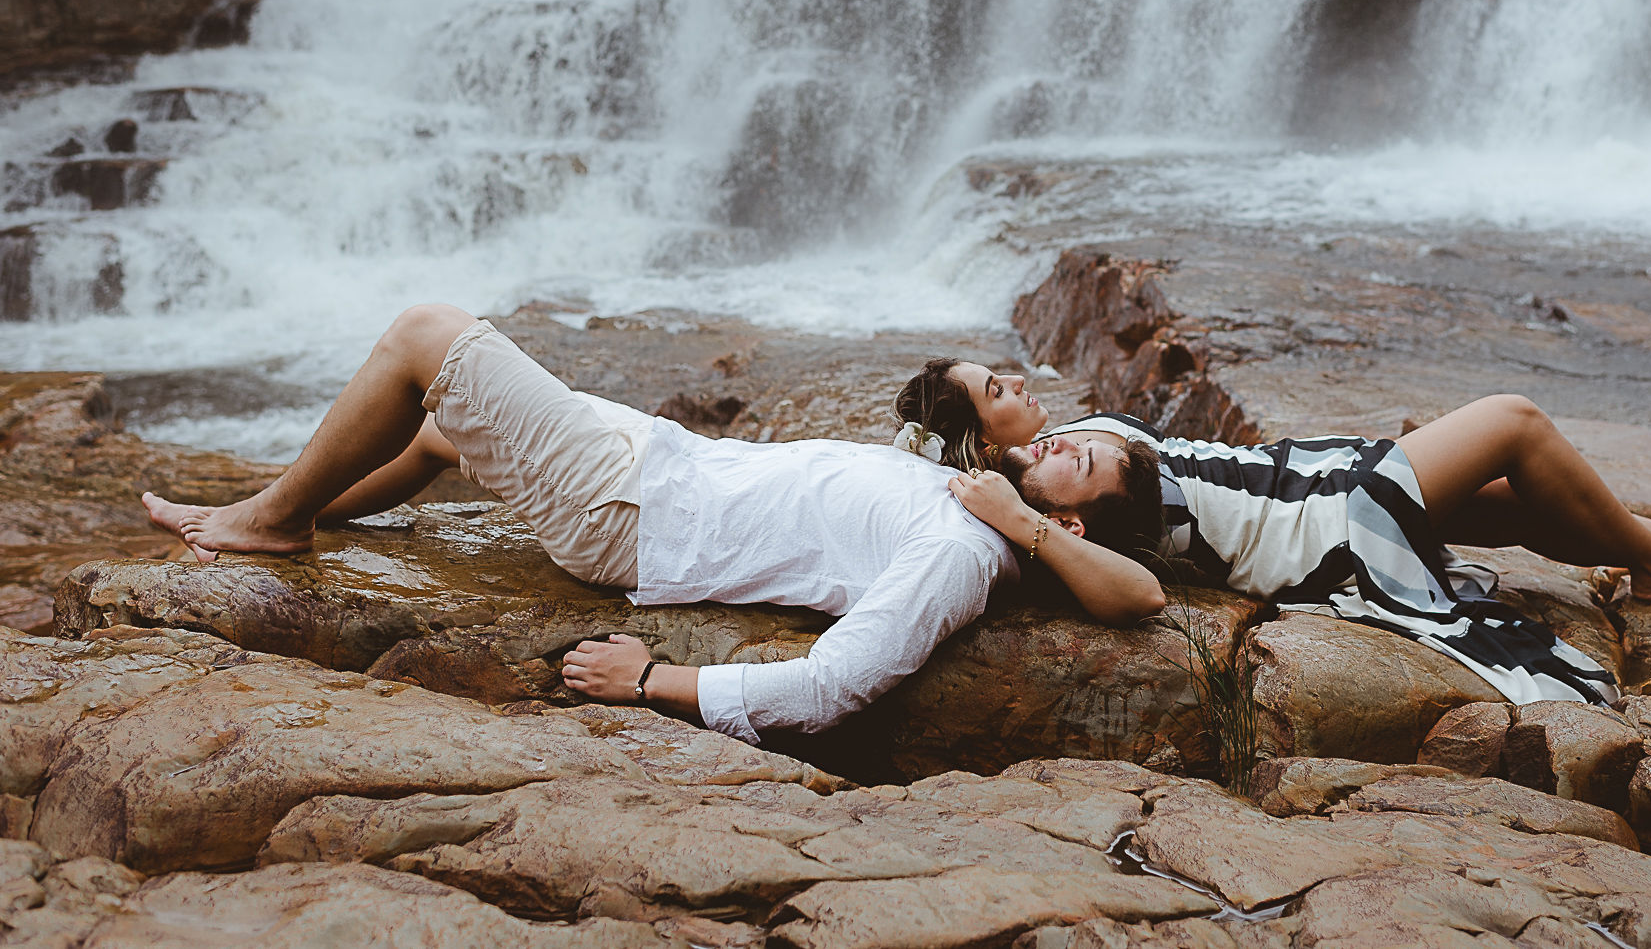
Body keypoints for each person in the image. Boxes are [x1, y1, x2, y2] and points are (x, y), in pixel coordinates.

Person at [142, 307, 1165, 744]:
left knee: (427, 338)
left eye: (1088, 457)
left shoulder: (961, 549)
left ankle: (272, 524)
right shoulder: (960, 490)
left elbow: (827, 687)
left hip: (629, 511)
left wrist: (650, 682)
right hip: (657, 464)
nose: (1069, 434)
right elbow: (944, 411)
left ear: (1074, 516)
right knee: (447, 427)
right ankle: (288, 506)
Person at [895, 359, 1651, 704]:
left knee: (1511, 499)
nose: (1017, 381)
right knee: (1513, 420)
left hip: (1313, 480)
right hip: (1320, 524)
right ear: (981, 438)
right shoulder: (1033, 500)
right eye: (996, 391)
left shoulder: (1060, 450)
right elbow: (1127, 587)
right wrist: (1015, 506)